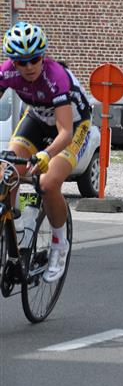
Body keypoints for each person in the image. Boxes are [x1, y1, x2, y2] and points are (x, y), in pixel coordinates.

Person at [1, 22, 93, 282]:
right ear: (13, 62)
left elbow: (64, 132)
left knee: (48, 182)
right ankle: (16, 226)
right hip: (38, 119)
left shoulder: (56, 77)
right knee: (7, 171)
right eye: (22, 62)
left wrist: (46, 154)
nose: (29, 66)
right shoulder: (7, 73)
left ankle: (59, 244)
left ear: (44, 56)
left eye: (35, 59)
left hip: (72, 126)